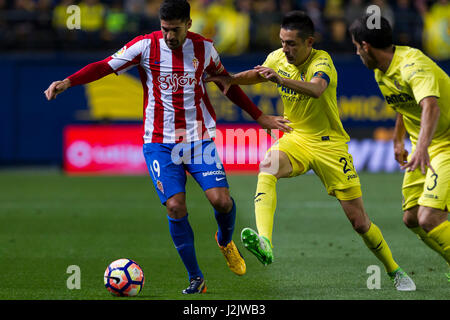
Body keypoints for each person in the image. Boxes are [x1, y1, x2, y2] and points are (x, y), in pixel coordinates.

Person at [44, 0, 291, 294]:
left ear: (188, 24)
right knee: (175, 205)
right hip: (159, 143)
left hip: (199, 139)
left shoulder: (205, 49)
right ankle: (196, 278)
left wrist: (260, 117)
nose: (170, 36)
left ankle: (224, 241)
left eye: (175, 29)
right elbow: (103, 67)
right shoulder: (145, 46)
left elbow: (227, 83)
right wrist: (68, 82)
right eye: (165, 29)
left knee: (222, 202)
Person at [206, 10, 416, 291]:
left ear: (309, 42)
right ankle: (265, 242)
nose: (286, 49)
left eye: (292, 44)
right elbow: (258, 75)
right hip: (297, 137)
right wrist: (231, 79)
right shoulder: (277, 58)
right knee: (267, 167)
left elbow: (317, 89)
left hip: (330, 145)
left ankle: (395, 270)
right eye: (283, 42)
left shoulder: (323, 61)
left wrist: (279, 80)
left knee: (359, 222)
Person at [349, 15, 450, 281]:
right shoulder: (381, 71)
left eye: (356, 47)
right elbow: (403, 105)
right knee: (413, 218)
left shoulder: (413, 65)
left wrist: (422, 147)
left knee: (430, 217)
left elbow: (431, 105)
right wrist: (397, 139)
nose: (355, 53)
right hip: (424, 144)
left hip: (445, 144)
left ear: (365, 46)